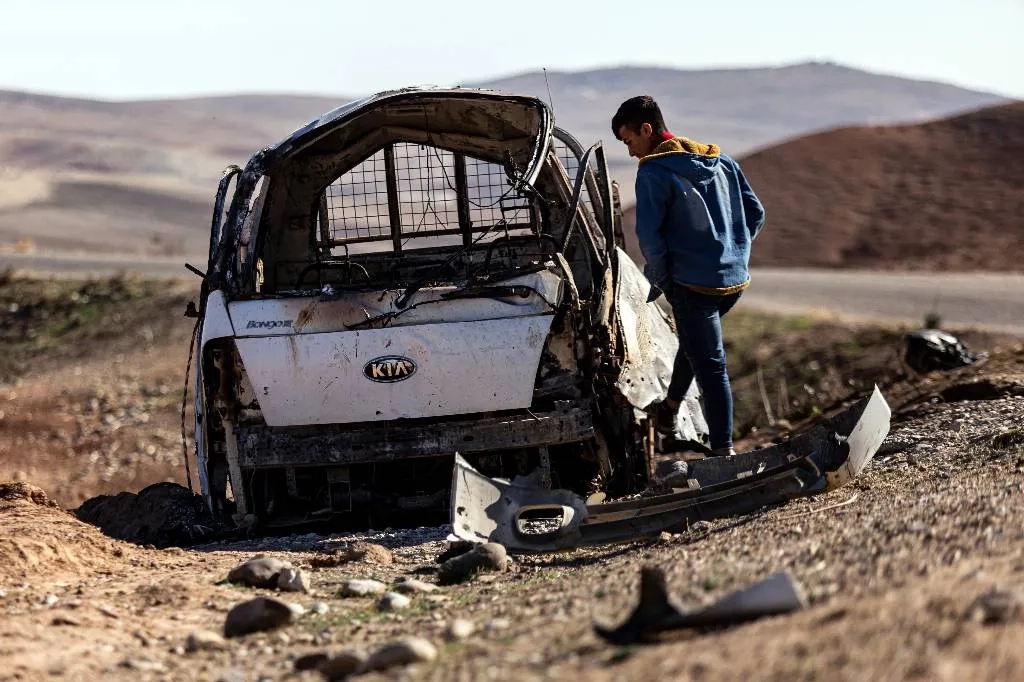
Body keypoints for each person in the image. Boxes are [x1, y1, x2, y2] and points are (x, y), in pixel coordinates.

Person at [611, 95, 766, 457]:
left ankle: (724, 452)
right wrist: (734, 252)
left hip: (692, 287)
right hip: (733, 283)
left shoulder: (653, 172)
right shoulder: (722, 161)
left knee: (712, 368)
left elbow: (650, 238)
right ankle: (669, 408)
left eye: (630, 141)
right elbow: (755, 213)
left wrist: (661, 279)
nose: (632, 152)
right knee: (698, 347)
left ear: (647, 130)